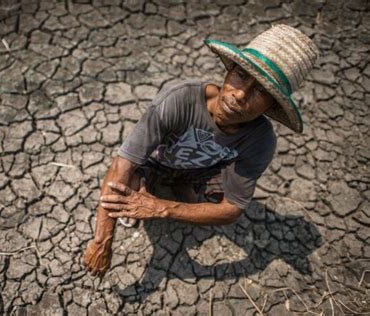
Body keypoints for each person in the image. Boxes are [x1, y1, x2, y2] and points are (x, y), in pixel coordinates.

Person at [83, 24, 319, 276]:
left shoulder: (260, 140)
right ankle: (146, 192)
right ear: (229, 72)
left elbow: (231, 210)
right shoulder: (178, 99)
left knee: (211, 204)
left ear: (272, 105)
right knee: (124, 180)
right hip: (153, 165)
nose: (240, 94)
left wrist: (162, 208)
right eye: (240, 75)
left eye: (261, 91)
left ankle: (168, 194)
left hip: (201, 174)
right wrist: (102, 242)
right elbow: (122, 164)